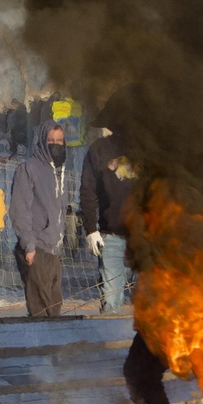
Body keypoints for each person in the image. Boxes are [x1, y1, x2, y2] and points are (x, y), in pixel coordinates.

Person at [10, 123, 68, 317]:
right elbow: (20, 210)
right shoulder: (28, 169)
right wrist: (29, 246)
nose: (55, 144)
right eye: (51, 140)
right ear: (43, 142)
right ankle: (39, 348)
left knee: (55, 309)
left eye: (59, 140)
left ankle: (55, 348)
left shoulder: (60, 172)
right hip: (36, 250)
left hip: (54, 249)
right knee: (40, 313)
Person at [80, 133, 135, 313]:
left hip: (146, 236)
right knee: (110, 301)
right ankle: (108, 339)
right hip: (112, 237)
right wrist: (90, 230)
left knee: (152, 301)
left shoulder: (147, 143)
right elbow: (88, 191)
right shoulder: (99, 149)